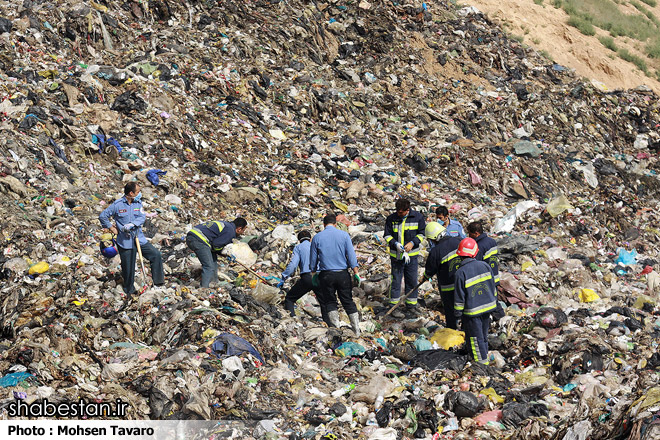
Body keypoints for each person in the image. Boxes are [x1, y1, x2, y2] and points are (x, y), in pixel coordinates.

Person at [99, 182, 164, 295]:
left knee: (155, 254)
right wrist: (111, 227)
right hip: (125, 241)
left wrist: (132, 224)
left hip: (139, 238)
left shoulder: (138, 203)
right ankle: (129, 291)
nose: (140, 194)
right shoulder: (117, 205)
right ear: (131, 193)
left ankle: (158, 283)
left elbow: (142, 217)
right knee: (128, 268)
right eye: (138, 191)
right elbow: (103, 216)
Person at [309, 213, 361, 336]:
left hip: (326, 275)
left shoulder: (317, 237)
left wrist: (314, 273)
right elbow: (351, 255)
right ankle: (356, 330)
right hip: (343, 274)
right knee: (347, 300)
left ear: (323, 224)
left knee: (330, 301)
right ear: (336, 224)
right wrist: (356, 272)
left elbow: (313, 259)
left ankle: (336, 329)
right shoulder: (344, 235)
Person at [454, 237, 497, 365]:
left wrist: (457, 316)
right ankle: (484, 359)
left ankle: (482, 366)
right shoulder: (485, 266)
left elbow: (459, 298)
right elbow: (492, 286)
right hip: (488, 308)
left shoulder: (460, 273)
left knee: (475, 339)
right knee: (483, 337)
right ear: (474, 253)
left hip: (472, 312)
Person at [383, 199, 426, 313]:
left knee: (412, 280)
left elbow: (422, 233)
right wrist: (395, 243)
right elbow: (387, 235)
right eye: (397, 211)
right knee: (396, 280)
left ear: (407, 210)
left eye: (401, 212)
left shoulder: (417, 217)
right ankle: (394, 306)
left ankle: (411, 305)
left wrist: (413, 242)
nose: (398, 214)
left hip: (411, 256)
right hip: (396, 256)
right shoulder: (391, 219)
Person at [418, 222, 462, 328]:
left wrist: (425, 277)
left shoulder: (436, 251)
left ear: (434, 238)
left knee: (450, 311)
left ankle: (452, 330)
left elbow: (429, 270)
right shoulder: (459, 241)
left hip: (448, 288)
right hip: (463, 283)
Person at [186, 218, 248, 288]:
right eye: (243, 230)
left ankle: (214, 283)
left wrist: (222, 253)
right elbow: (216, 246)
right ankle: (203, 289)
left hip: (193, 236)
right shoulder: (230, 231)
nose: (243, 233)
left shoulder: (227, 226)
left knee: (213, 261)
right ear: (239, 229)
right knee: (208, 266)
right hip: (199, 240)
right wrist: (224, 254)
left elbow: (215, 246)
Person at [278, 230, 324, 320]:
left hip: (308, 278)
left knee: (289, 299)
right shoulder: (318, 246)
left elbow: (293, 265)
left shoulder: (298, 247)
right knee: (324, 303)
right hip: (320, 277)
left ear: (299, 240)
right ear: (310, 239)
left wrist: (283, 277)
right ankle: (330, 324)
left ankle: (293, 319)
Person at [467, 221, 504, 319]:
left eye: (470, 234)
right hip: (494, 275)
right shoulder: (491, 241)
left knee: (490, 300)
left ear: (476, 233)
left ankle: (500, 317)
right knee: (493, 297)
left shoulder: (479, 246)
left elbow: (476, 263)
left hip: (486, 277)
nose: (469, 236)